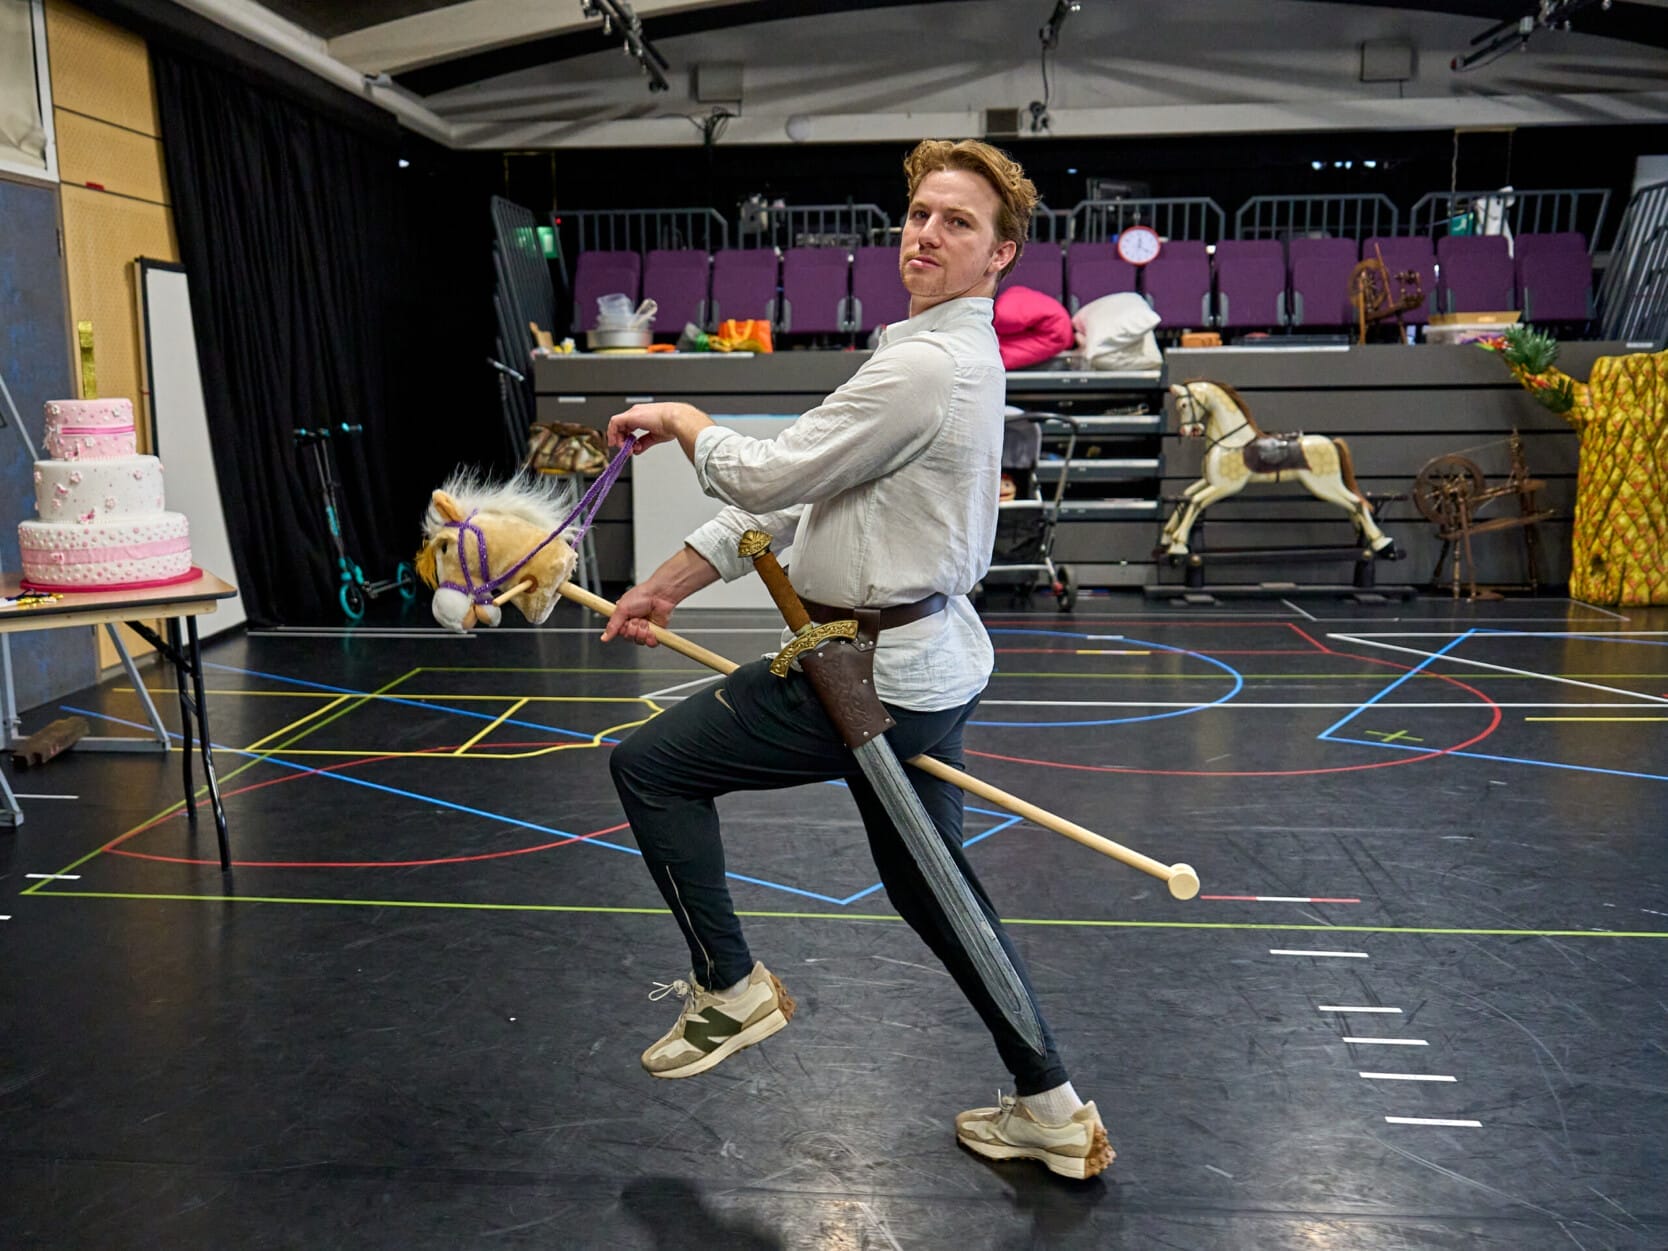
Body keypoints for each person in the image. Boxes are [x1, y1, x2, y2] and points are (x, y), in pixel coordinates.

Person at [600, 139, 1112, 1181]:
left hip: (866, 677)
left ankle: (731, 988)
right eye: (919, 213)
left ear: (1000, 254)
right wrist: (666, 585)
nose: (926, 233)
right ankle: (1052, 1107)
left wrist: (688, 418)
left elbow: (768, 473)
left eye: (957, 222)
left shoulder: (929, 363)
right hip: (918, 661)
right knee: (935, 890)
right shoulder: (926, 352)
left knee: (648, 767)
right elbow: (809, 494)